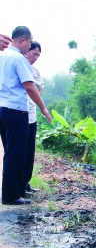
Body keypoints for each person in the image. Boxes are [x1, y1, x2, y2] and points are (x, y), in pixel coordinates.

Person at [0, 26, 51, 205]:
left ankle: (13, 192)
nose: (29, 47)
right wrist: (44, 109)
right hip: (16, 111)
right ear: (22, 40)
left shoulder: (2, 56)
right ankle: (10, 195)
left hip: (3, 109)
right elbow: (29, 86)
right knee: (16, 154)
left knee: (10, 152)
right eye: (29, 43)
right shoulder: (18, 59)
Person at [25, 41, 44, 195]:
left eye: (38, 55)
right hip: (19, 113)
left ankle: (25, 183)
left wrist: (36, 97)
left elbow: (40, 86)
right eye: (34, 53)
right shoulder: (20, 65)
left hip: (31, 115)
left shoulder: (35, 71)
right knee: (19, 151)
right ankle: (17, 185)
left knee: (29, 151)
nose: (36, 57)